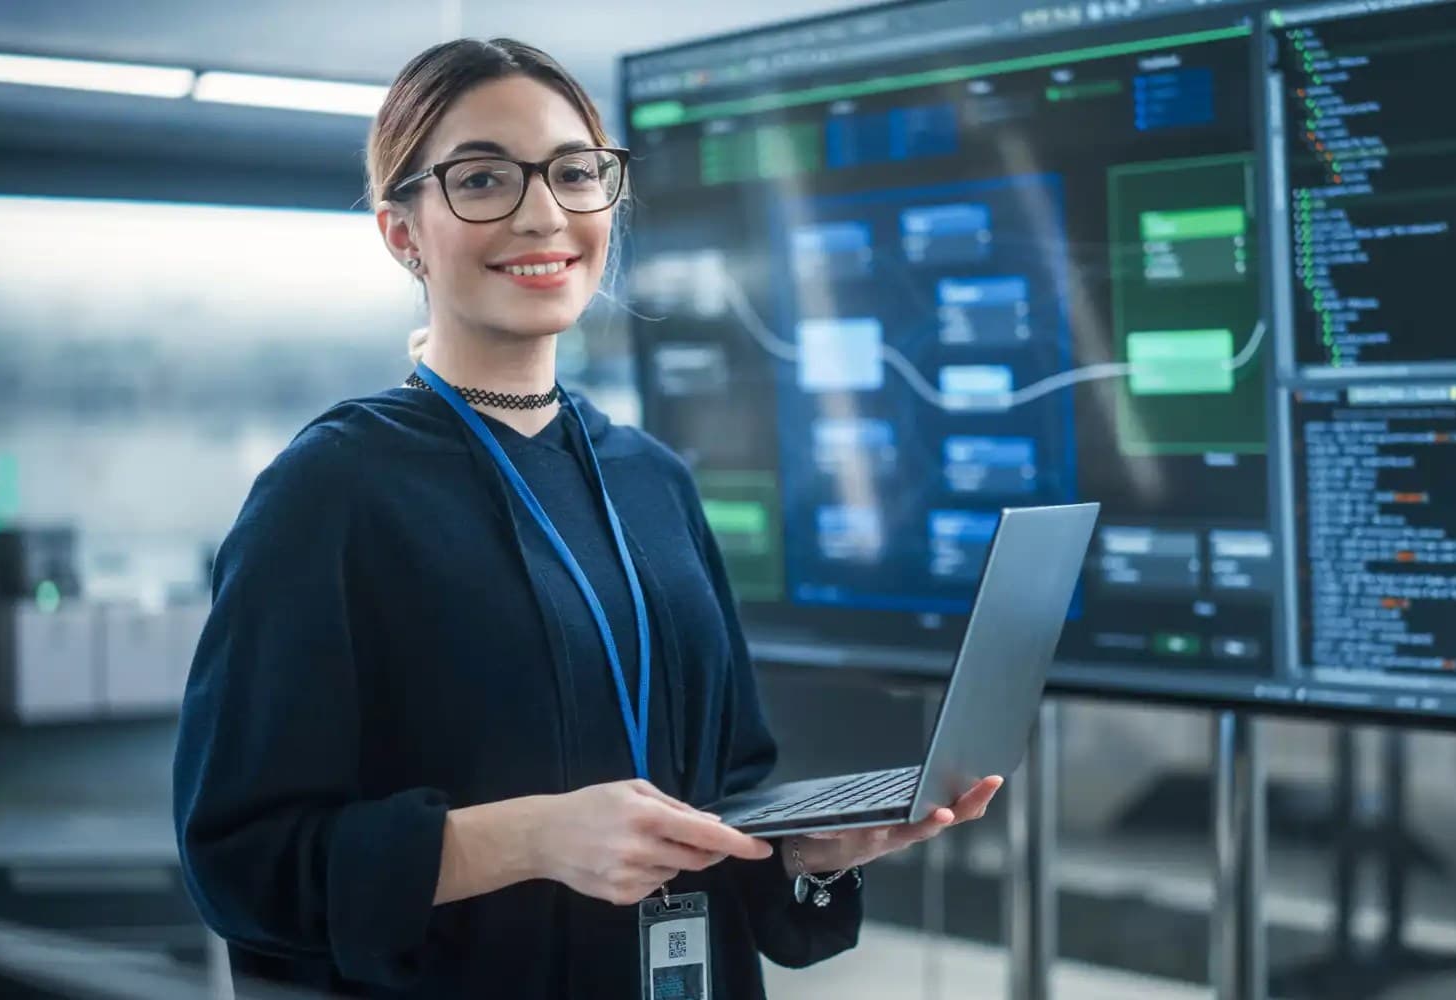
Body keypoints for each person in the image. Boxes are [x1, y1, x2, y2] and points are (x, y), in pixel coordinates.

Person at [172, 37, 1000, 999]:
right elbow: (241, 862)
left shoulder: (652, 479)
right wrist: (529, 838)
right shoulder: (331, 493)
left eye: (575, 174)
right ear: (403, 232)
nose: (543, 214)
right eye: (482, 179)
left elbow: (729, 784)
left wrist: (803, 850)